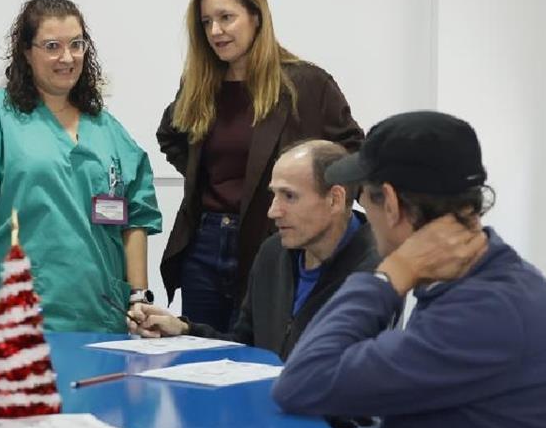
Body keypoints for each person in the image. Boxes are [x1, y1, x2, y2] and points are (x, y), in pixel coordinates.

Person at [272, 111, 546, 428]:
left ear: (388, 202)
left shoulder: (485, 311)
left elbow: (303, 381)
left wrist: (389, 276)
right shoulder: (479, 283)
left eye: (365, 199)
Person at [0, 0, 161, 333]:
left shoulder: (108, 129)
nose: (67, 57)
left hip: (98, 316)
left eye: (77, 44)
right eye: (52, 46)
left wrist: (138, 295)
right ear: (26, 52)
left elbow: (135, 217)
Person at [157, 0, 362, 332]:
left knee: (256, 352)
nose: (216, 31)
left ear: (256, 16)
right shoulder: (201, 83)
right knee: (196, 356)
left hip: (271, 240)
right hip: (203, 243)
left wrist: (326, 207)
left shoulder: (306, 84)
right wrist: (203, 179)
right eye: (206, 22)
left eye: (226, 17)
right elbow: (170, 136)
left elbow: (352, 155)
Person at [129, 140, 378, 359]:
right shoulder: (274, 252)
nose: (273, 211)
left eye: (289, 196)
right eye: (274, 196)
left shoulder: (379, 269)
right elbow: (246, 344)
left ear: (335, 199)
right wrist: (184, 330)